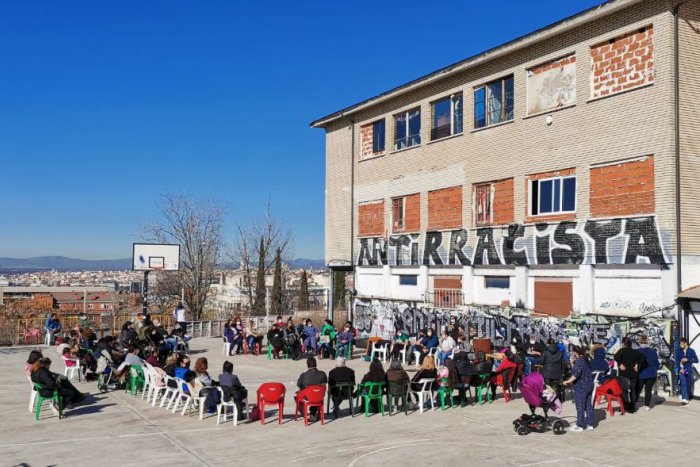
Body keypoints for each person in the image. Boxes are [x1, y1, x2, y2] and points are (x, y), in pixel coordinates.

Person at [564, 346, 595, 432]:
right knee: (588, 405)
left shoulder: (579, 362)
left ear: (575, 352)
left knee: (580, 406)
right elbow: (577, 371)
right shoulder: (584, 360)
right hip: (589, 385)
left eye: (571, 352)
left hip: (581, 387)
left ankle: (580, 425)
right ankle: (591, 424)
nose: (570, 353)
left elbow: (575, 375)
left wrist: (567, 381)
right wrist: (571, 363)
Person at [614, 337, 646, 413]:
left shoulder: (621, 351)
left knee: (624, 391)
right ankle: (632, 408)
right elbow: (643, 358)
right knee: (632, 390)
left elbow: (615, 357)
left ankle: (626, 406)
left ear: (623, 344)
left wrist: (620, 364)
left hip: (624, 374)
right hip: (633, 374)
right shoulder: (635, 351)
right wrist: (637, 364)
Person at [296, 357, 327, 422]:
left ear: (307, 365)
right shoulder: (322, 374)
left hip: (308, 397)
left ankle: (305, 414)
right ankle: (313, 413)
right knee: (315, 391)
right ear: (316, 364)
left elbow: (299, 385)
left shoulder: (303, 375)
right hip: (320, 396)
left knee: (298, 395)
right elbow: (324, 385)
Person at [637, 335, 660, 411]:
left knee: (638, 389)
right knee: (648, 390)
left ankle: (634, 403)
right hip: (651, 373)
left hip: (641, 373)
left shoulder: (637, 351)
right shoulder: (653, 351)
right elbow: (657, 363)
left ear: (640, 342)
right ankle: (647, 406)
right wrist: (655, 369)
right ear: (648, 342)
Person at [676, 337, 698, 404]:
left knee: (687, 383)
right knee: (683, 382)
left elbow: (696, 360)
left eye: (681, 343)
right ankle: (685, 398)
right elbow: (677, 362)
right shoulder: (679, 351)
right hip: (681, 370)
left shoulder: (691, 351)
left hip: (688, 370)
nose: (680, 344)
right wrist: (680, 369)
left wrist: (688, 359)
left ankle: (686, 396)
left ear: (685, 343)